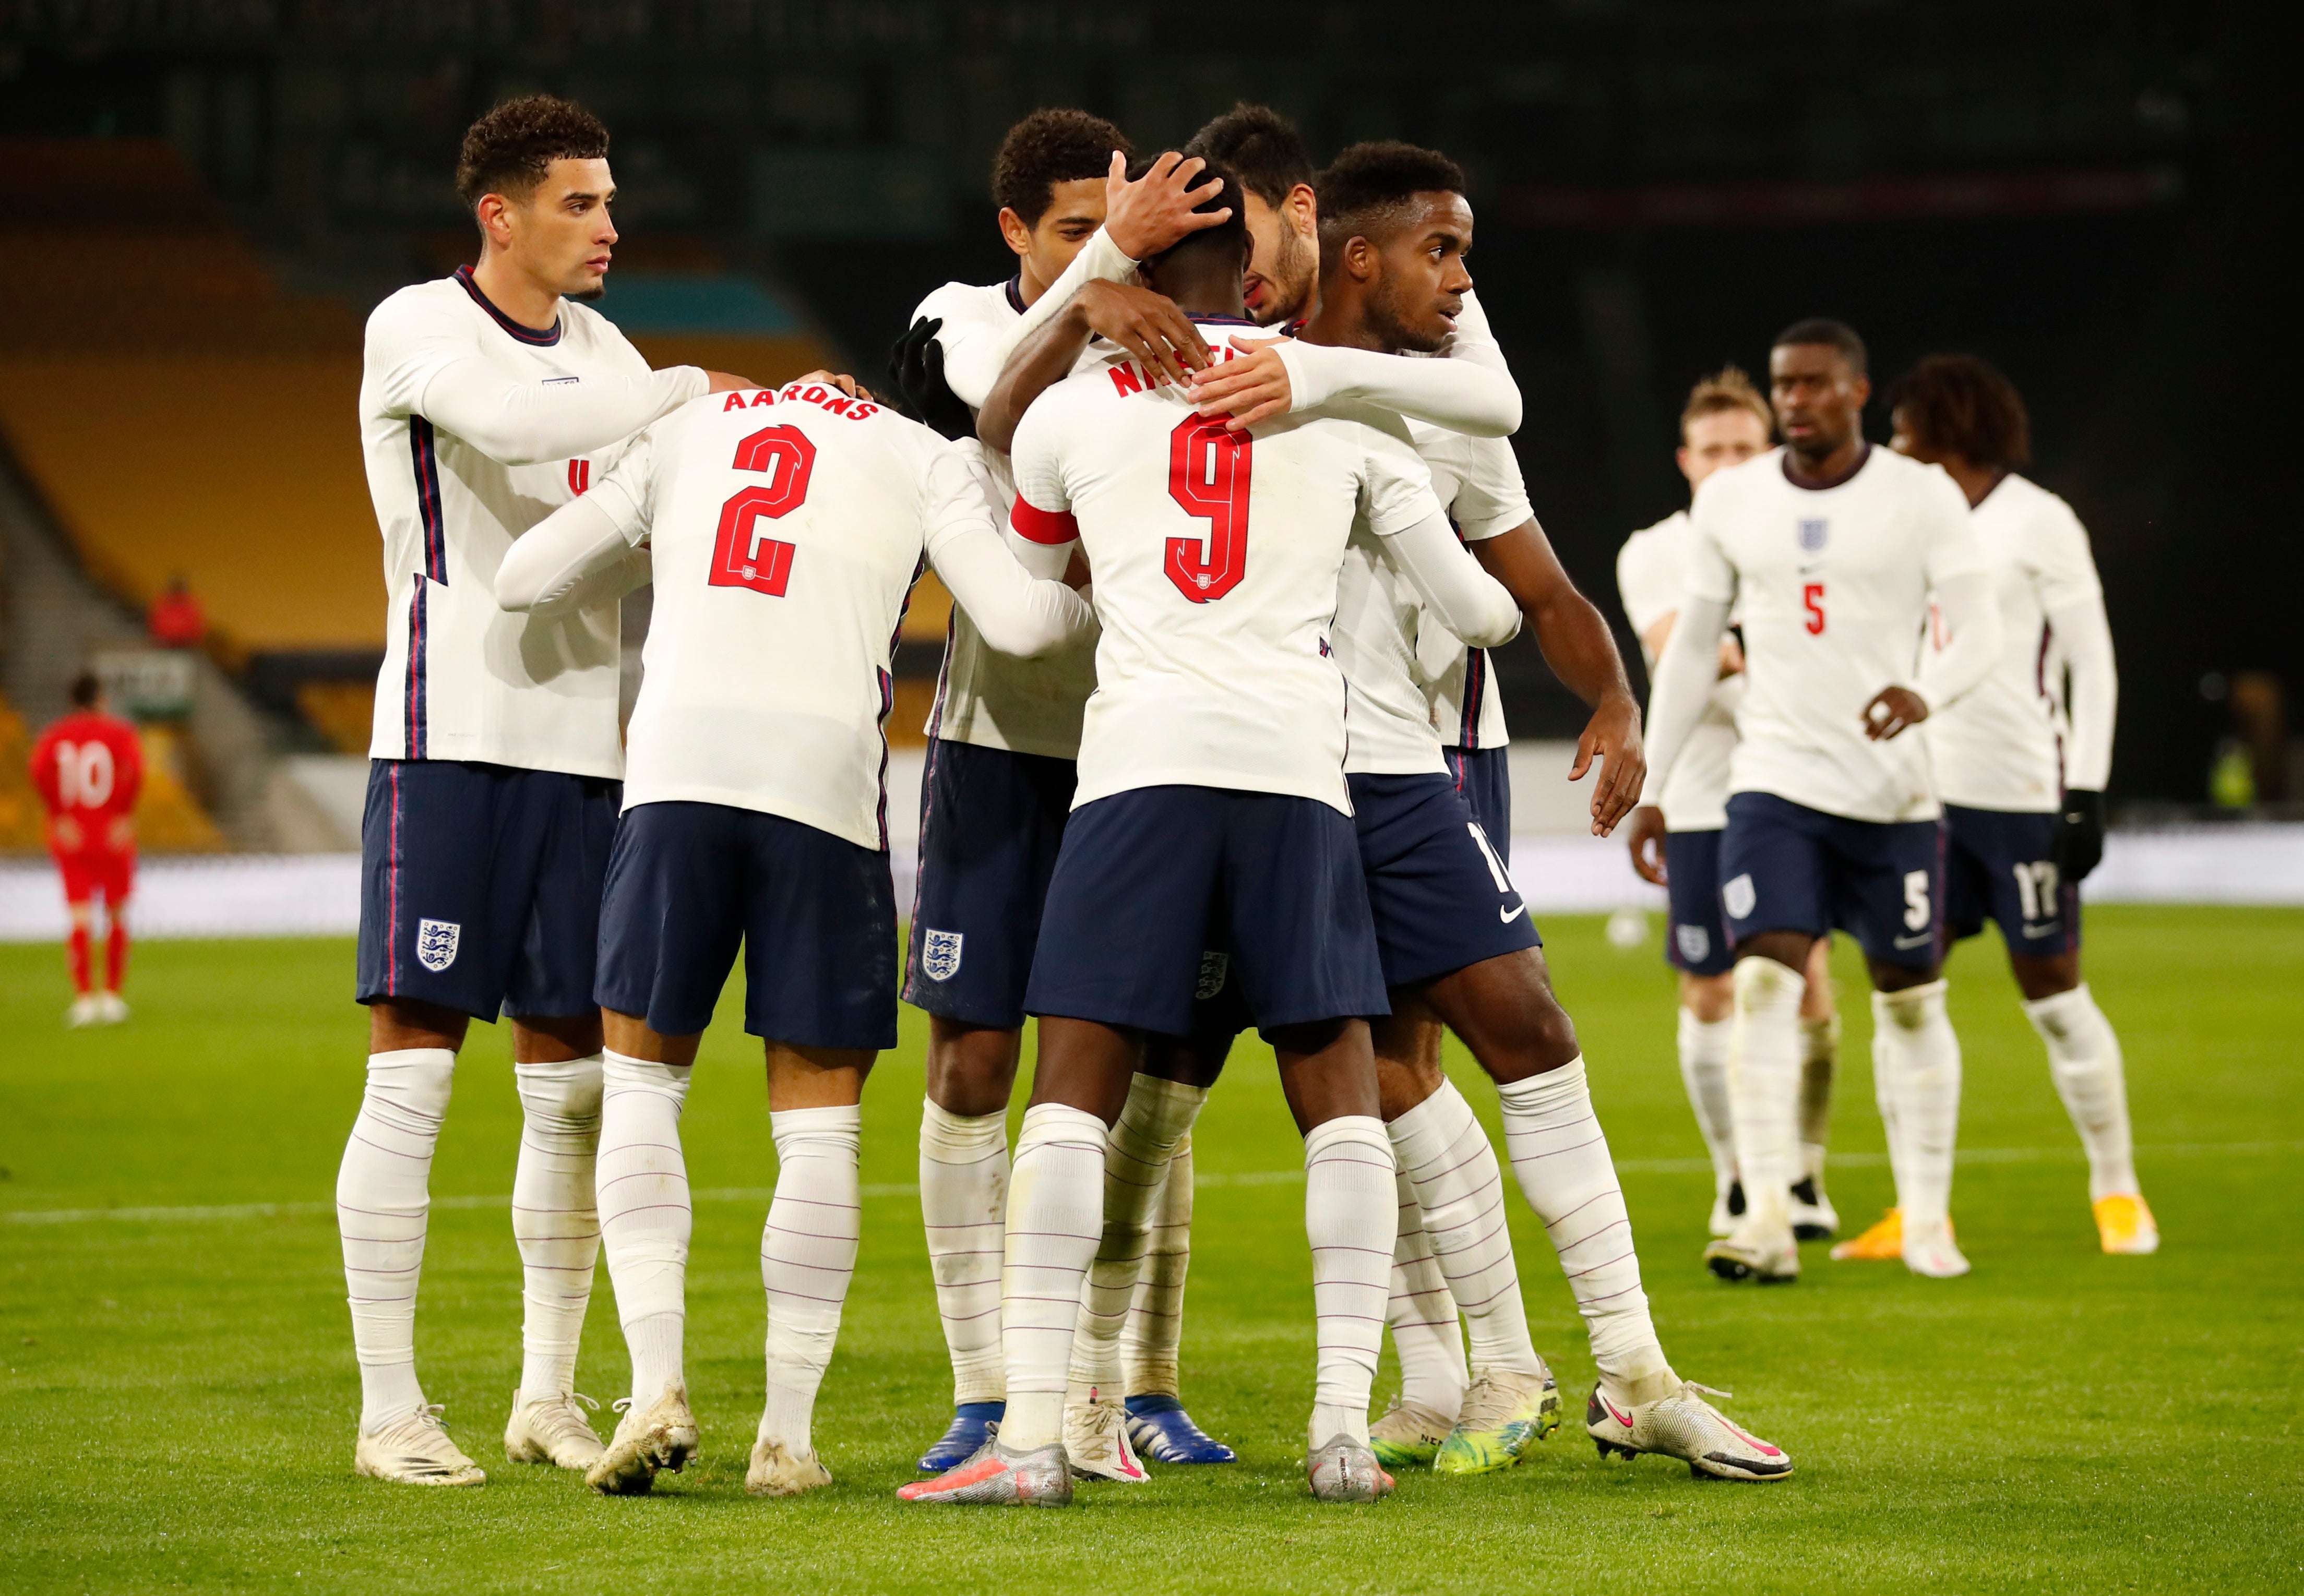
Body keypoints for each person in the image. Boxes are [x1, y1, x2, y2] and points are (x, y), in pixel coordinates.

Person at [899, 163, 1520, 1508]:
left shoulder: (1069, 414)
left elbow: (1024, 541)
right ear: (1244, 274)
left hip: (1135, 774)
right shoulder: (1331, 395)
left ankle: (1026, 1445)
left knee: (1070, 1086)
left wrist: (1078, 309)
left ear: (1130, 271)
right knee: (1335, 1090)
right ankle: (1340, 1432)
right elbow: (1477, 610)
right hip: (1302, 779)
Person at [1185, 135, 1786, 1484]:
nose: (1461, 280)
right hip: (1247, 769)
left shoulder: (1442, 391)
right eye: (1441, 252)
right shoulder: (1208, 366)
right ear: (1331, 239)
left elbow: (1537, 584)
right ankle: (1447, 1361)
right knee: (1347, 1076)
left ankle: (1618, 1367)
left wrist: (1615, 698)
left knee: (1499, 1030)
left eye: (1464, 253)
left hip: (1417, 754)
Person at [494, 370, 1094, 1496]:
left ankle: (655, 1384)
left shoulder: (688, 425)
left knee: (641, 1091)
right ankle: (787, 1436)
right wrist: (1111, 604)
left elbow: (526, 578)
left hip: (673, 773)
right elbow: (1018, 624)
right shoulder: (927, 453)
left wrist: (662, 554)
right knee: (815, 1132)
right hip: (820, 788)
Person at [338, 93, 758, 1488]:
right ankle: (390, 1406)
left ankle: (543, 1391)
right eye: (580, 202)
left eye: (609, 200)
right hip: (447, 740)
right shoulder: (416, 325)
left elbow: (649, 513)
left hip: (589, 759)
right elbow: (519, 431)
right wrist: (678, 398)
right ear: (499, 216)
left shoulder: (610, 349)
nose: (609, 228)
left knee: (572, 1091)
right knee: (412, 1080)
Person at [888, 109, 1239, 1477]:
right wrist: (1103, 268)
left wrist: (1122, 275)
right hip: (998, 743)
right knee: (976, 1060)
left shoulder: (1171, 329)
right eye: (1078, 228)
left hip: (1150, 745)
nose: (1118, 260)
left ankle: (1130, 1381)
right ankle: (985, 1390)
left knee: (1147, 1072)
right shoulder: (953, 318)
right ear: (1010, 234)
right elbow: (992, 410)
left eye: (1139, 231)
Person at [1643, 318, 2002, 1285]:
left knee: (1912, 998)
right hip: (1776, 784)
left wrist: (1929, 689)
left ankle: (1926, 1215)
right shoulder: (1733, 503)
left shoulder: (1919, 496)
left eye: (1813, 384)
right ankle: (1762, 1210)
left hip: (1895, 794)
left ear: (1856, 391)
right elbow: (1690, 652)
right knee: (1762, 978)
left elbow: (1981, 629)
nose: (1797, 399)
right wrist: (1660, 780)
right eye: (1784, 385)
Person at [1882, 354, 2153, 1256]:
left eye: (1905, 423)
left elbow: (2094, 661)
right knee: (1905, 994)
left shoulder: (2041, 521)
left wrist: (2086, 792)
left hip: (2021, 795)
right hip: (1917, 796)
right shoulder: (1900, 517)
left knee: (2054, 993)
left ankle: (2117, 1188)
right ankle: (1918, 1209)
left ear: (1948, 425)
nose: (1891, 438)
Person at [1620, 369, 1844, 1242]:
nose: (1726, 464)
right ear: (1686, 459)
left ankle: (1804, 1170)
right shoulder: (1655, 548)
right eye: (1711, 450)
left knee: (1809, 980)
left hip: (1799, 790)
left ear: (1772, 452)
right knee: (1710, 988)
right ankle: (1739, 1177)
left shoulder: (1812, 541)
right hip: (1706, 797)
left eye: (1743, 449)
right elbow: (1684, 649)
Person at [30, 672, 142, 1027]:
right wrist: (124, 814)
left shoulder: (56, 734)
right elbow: (136, 771)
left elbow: (37, 769)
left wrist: (59, 813)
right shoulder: (119, 732)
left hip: (72, 836)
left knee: (79, 917)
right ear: (100, 699)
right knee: (117, 915)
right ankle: (111, 996)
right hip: (111, 834)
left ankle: (82, 999)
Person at [146, 576, 205, 649]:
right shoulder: (162, 603)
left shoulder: (191, 604)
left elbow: (196, 625)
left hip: (187, 645)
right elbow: (155, 623)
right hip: (165, 645)